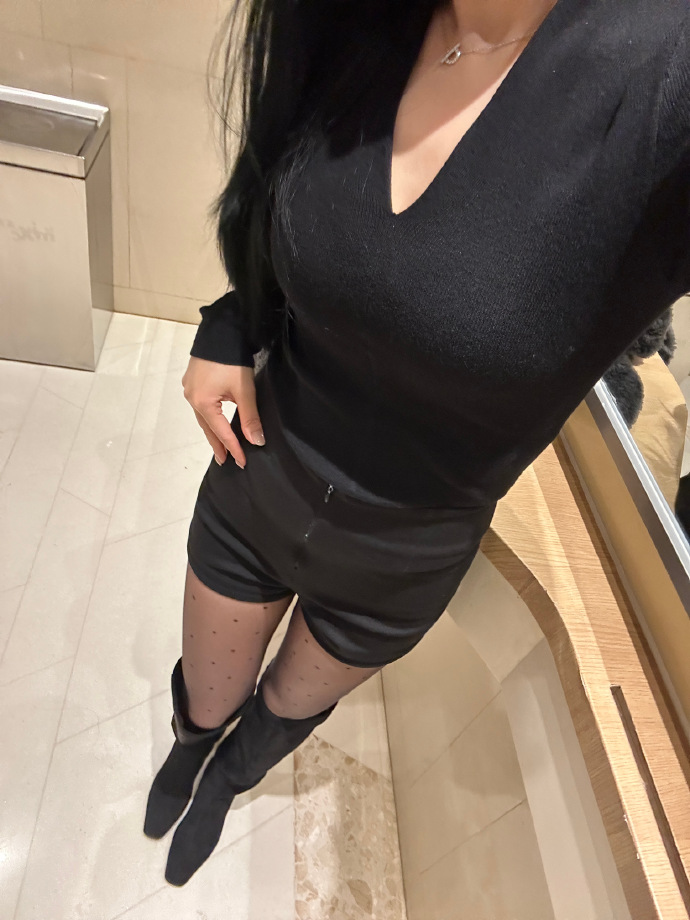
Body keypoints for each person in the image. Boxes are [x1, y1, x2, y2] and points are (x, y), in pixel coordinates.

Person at [144, 0, 690, 887]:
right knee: (208, 699)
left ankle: (230, 780)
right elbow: (275, 189)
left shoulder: (662, 72)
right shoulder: (356, 20)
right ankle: (191, 749)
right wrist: (231, 321)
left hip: (398, 570)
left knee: (281, 711)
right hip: (256, 480)